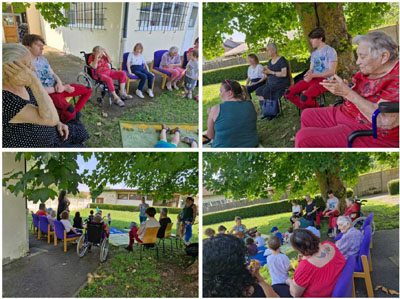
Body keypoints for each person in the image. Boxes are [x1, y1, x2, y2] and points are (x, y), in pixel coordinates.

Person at [296, 31, 399, 148]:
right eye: (358, 56)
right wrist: (343, 88)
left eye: (362, 56)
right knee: (307, 114)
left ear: (384, 56)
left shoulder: (397, 79)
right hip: (347, 112)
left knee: (303, 138)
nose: (357, 62)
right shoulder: (372, 69)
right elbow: (357, 90)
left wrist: (348, 93)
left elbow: (384, 122)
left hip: (369, 131)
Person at [2, 43, 85, 148]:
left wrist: (58, 122)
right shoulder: (5, 100)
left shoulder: (22, 85)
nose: (33, 70)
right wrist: (34, 82)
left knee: (80, 131)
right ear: (8, 70)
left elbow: (42, 108)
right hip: (45, 146)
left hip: (53, 131)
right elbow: (51, 118)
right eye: (27, 66)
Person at [22, 34, 92, 123]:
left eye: (42, 46)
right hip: (49, 94)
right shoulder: (26, 65)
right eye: (38, 45)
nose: (42, 48)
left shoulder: (42, 59)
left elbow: (53, 73)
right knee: (69, 112)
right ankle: (66, 120)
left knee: (88, 90)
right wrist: (62, 88)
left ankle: (76, 113)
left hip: (59, 87)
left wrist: (59, 82)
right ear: (28, 47)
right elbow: (36, 90)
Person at [203, 234, 278, 297]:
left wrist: (257, 276)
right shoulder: (249, 290)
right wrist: (260, 279)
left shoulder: (207, 291)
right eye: (244, 258)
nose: (246, 261)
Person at [285, 27, 337, 110]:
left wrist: (313, 75)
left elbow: (331, 72)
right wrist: (308, 73)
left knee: (305, 97)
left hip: (325, 80)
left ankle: (318, 113)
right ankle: (310, 110)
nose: (310, 41)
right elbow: (311, 69)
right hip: (313, 78)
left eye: (313, 38)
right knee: (288, 93)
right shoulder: (314, 54)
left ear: (320, 38)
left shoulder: (330, 51)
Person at [286, 229, 345, 297]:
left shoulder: (305, 267)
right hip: (342, 288)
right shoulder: (329, 244)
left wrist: (289, 281)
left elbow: (295, 294)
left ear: (298, 249)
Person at [206, 80, 259, 148]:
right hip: (251, 145)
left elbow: (210, 136)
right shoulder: (251, 104)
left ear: (230, 93)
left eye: (221, 91)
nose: (220, 94)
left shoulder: (215, 109)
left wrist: (210, 115)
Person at [256, 43, 291, 117]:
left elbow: (284, 74)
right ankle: (266, 110)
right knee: (258, 91)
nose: (267, 52)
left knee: (266, 91)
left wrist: (271, 72)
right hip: (271, 83)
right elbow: (269, 74)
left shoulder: (282, 59)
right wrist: (265, 72)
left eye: (268, 50)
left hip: (281, 82)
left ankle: (273, 111)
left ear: (274, 50)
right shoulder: (269, 61)